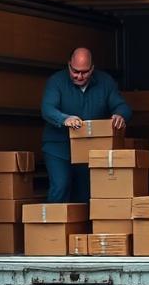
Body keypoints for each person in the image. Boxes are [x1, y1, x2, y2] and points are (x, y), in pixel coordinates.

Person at [40, 47, 132, 203]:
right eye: (75, 71)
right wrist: (64, 119)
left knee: (86, 192)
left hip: (89, 148)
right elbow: (47, 108)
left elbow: (122, 106)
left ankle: (82, 227)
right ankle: (54, 226)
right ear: (69, 65)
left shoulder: (106, 82)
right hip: (58, 147)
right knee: (61, 186)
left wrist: (120, 115)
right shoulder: (56, 81)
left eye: (85, 72)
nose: (80, 76)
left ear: (93, 68)